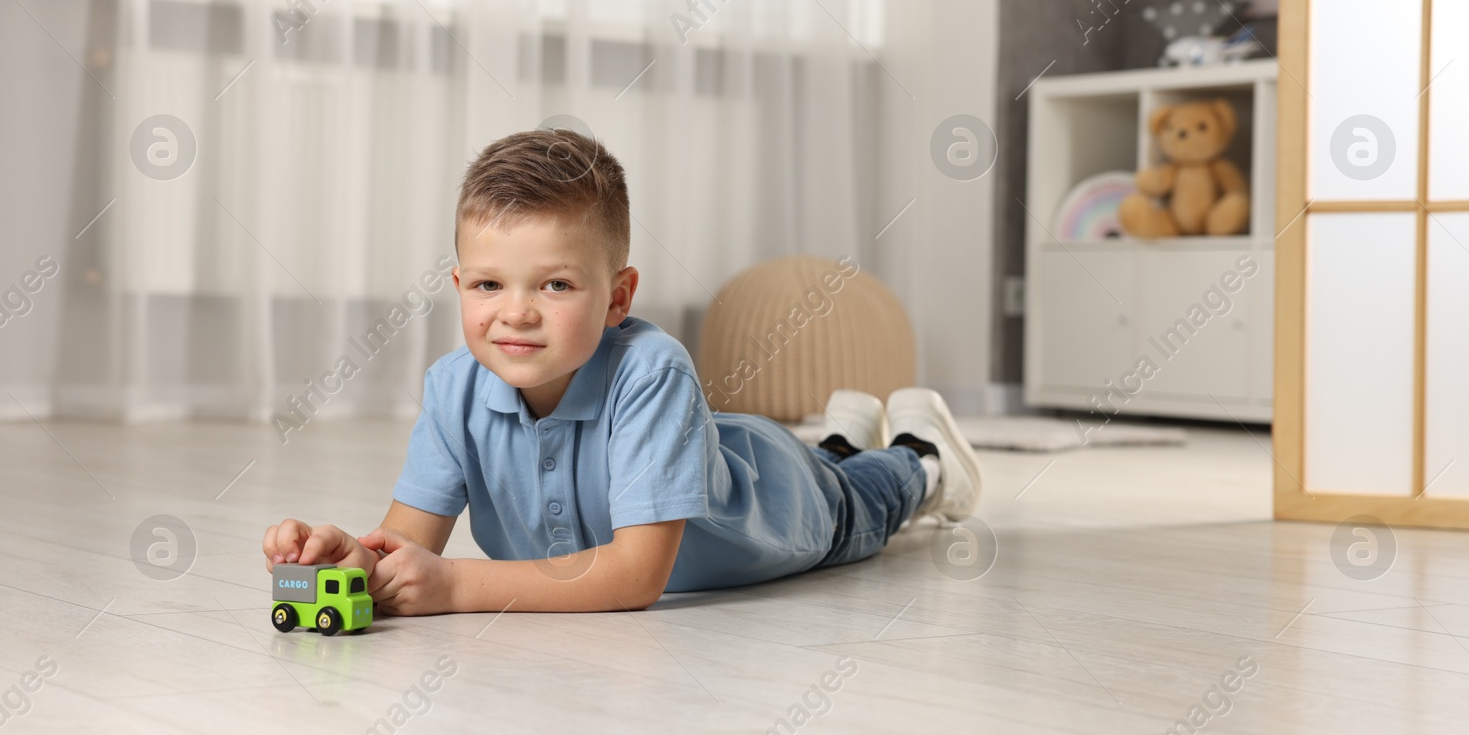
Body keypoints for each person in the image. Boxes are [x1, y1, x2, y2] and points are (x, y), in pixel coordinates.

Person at [261, 129, 982, 613]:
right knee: (834, 458)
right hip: (726, 451)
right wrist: (351, 558)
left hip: (791, 505)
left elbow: (637, 577)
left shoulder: (652, 370)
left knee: (867, 499)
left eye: (555, 285)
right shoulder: (454, 389)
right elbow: (410, 546)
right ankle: (842, 434)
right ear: (458, 288)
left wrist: (453, 585)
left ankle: (921, 454)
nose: (515, 314)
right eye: (488, 286)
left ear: (619, 298)